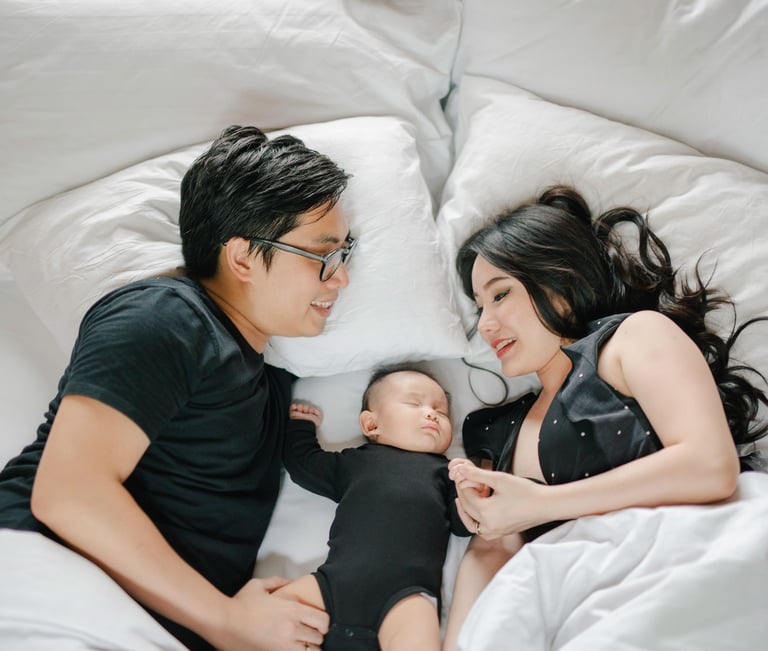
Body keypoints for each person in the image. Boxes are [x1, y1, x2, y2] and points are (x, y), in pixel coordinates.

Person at [0, 125, 355, 651]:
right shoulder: (165, 315)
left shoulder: (267, 380)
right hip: (50, 578)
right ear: (241, 257)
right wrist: (228, 622)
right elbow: (69, 493)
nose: (341, 278)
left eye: (346, 252)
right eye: (323, 255)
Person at [441, 185, 768, 650]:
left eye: (500, 295)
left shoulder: (631, 339)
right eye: (479, 307)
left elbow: (710, 467)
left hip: (697, 559)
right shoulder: (497, 429)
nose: (486, 324)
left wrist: (542, 505)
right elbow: (492, 545)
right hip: (593, 609)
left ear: (558, 280)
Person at [278, 364, 471, 651]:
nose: (432, 413)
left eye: (441, 411)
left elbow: (462, 524)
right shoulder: (356, 463)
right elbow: (304, 465)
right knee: (272, 614)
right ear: (371, 425)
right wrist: (301, 428)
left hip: (405, 598)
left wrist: (470, 487)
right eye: (414, 403)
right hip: (332, 587)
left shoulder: (446, 473)